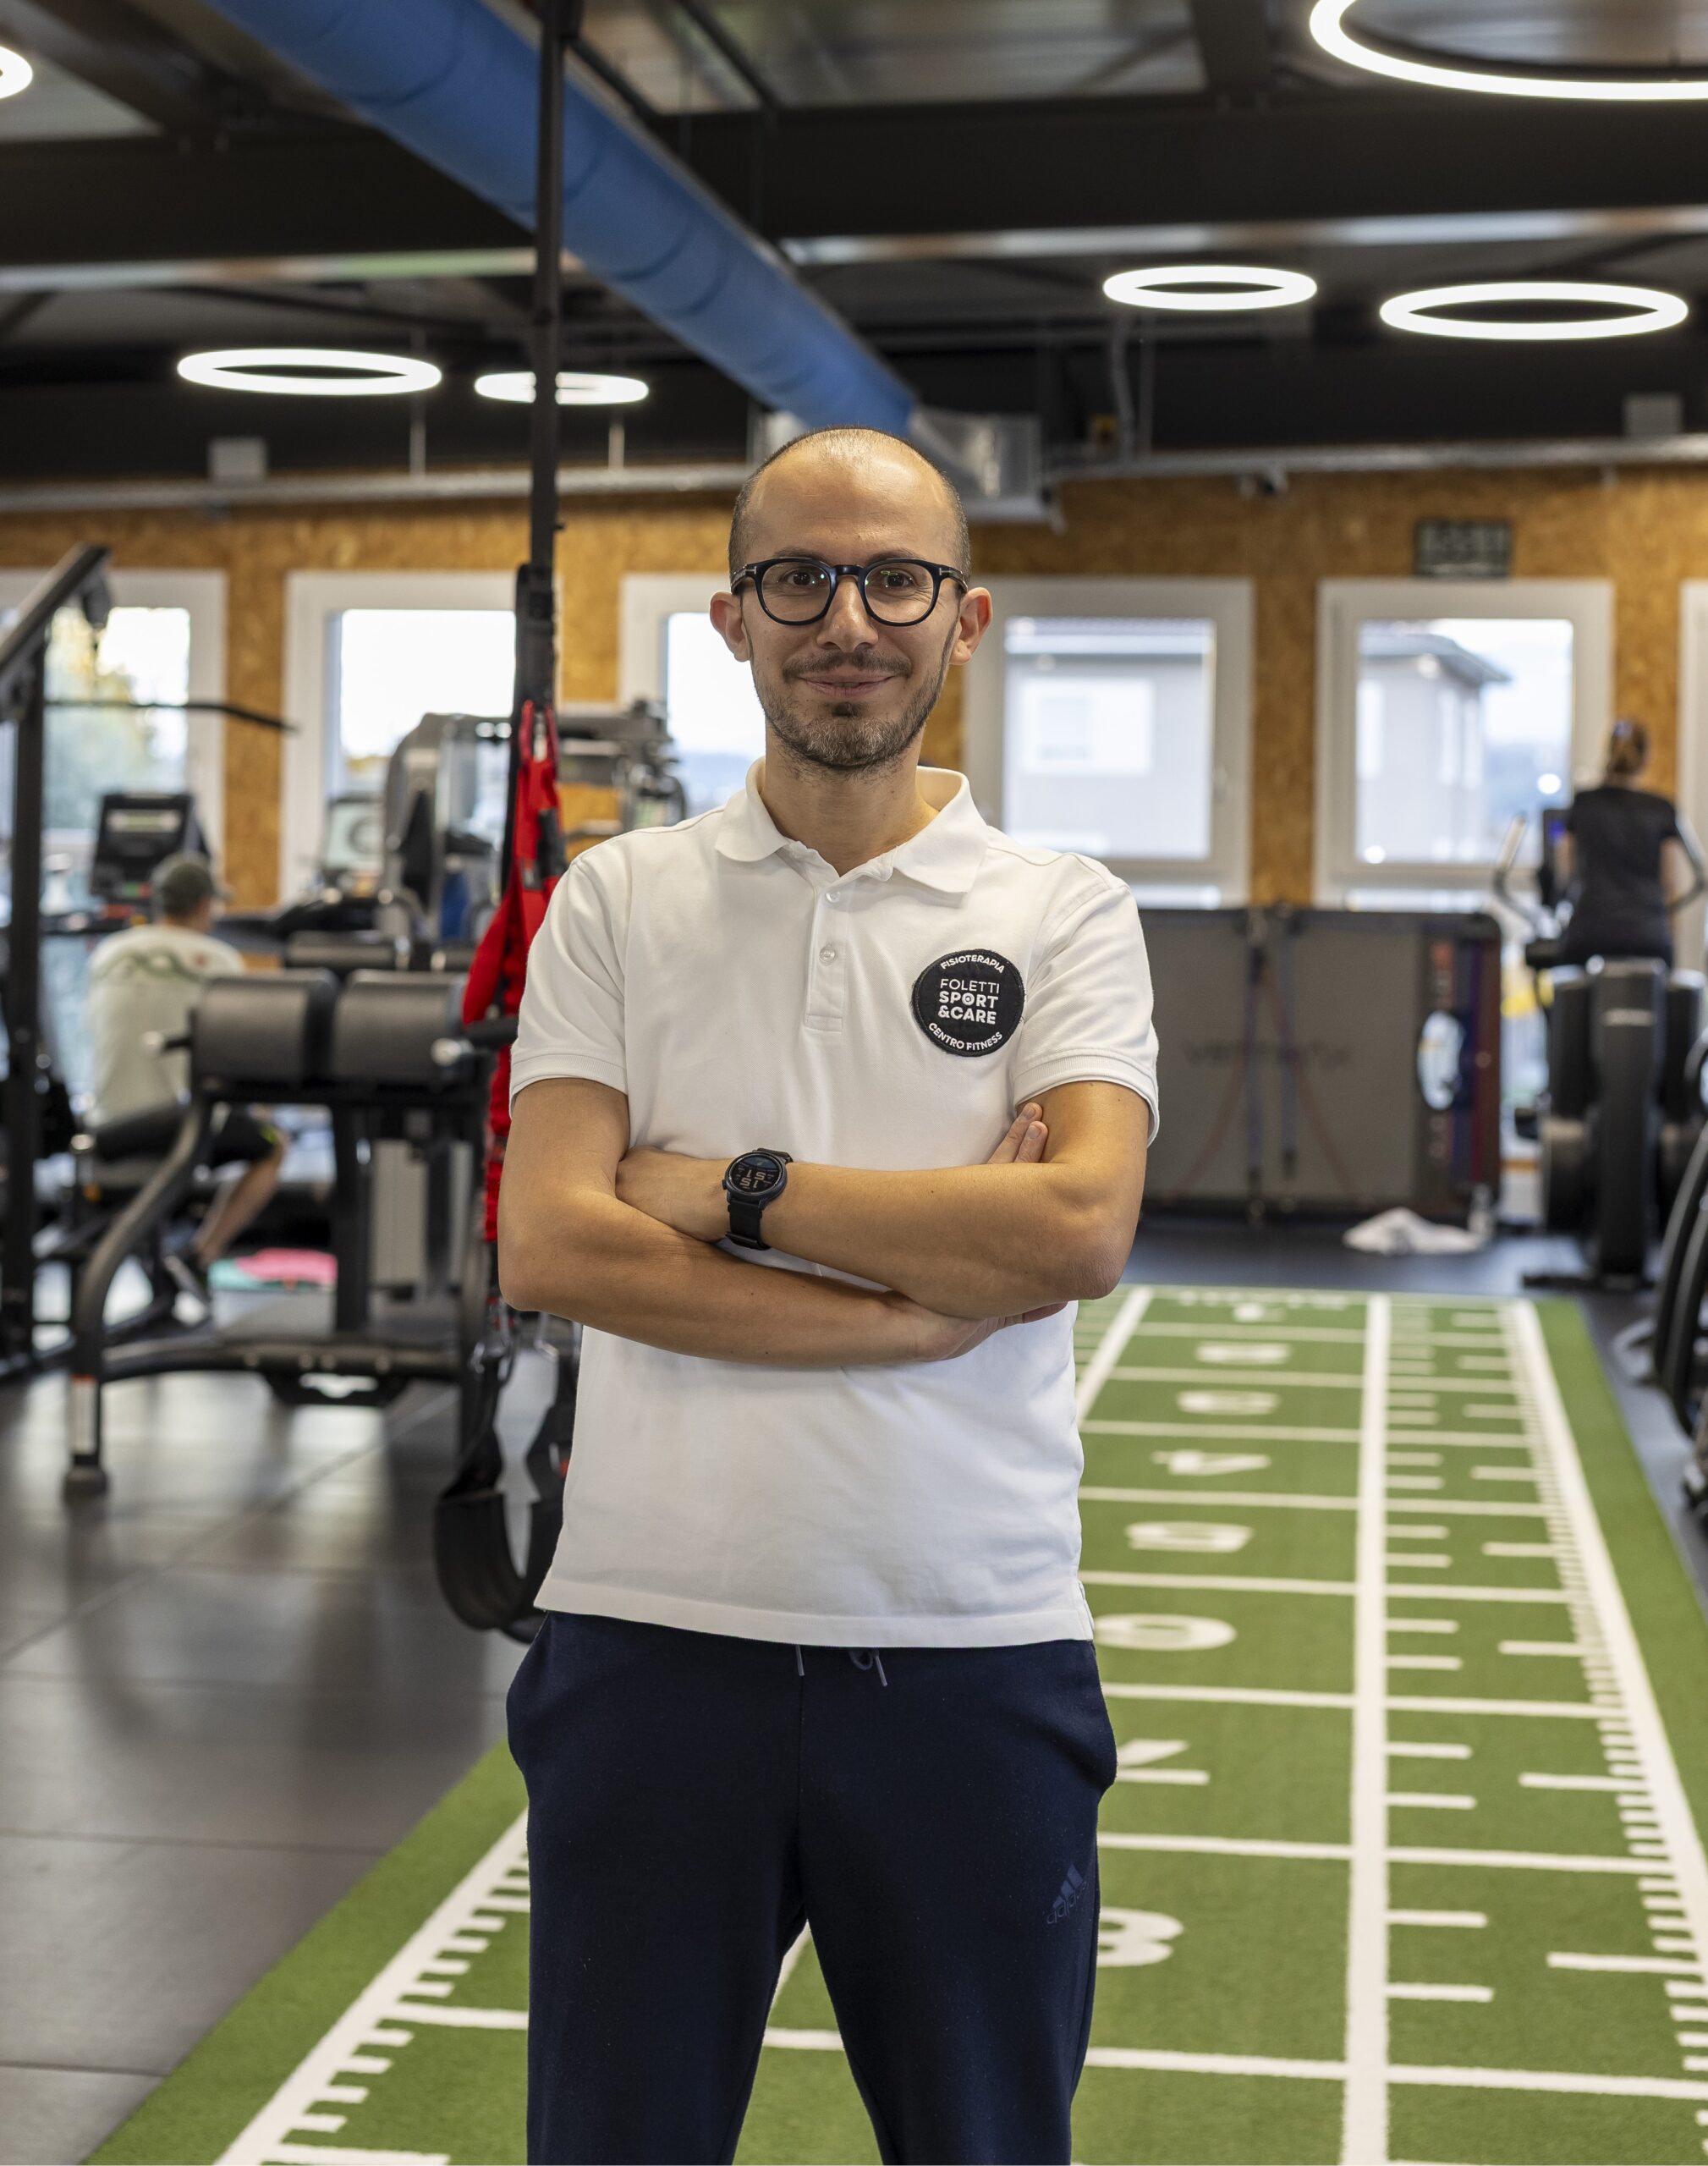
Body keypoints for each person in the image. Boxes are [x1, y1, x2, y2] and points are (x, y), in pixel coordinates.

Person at [500, 426, 1157, 2165]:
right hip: (648, 1639)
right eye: (797, 578)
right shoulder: (615, 900)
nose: (845, 619)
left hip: (969, 1643)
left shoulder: (1065, 912)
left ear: (965, 616)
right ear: (731, 617)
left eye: (893, 579)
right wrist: (907, 1310)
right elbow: (553, 1244)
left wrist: (730, 1191)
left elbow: (1074, 1228)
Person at [85, 852, 285, 1300]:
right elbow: (243, 1055)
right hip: (177, 1126)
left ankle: (169, 1269)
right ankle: (201, 1255)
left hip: (107, 1127)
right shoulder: (219, 960)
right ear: (202, 905)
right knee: (274, 1146)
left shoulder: (108, 952)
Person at [1555, 718, 1707, 969]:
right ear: (1646, 758)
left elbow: (1566, 870)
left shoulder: (1583, 803)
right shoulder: (1660, 809)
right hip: (1648, 933)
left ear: (1608, 753)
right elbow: (1669, 881)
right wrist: (1666, 926)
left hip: (1589, 932)